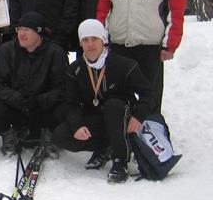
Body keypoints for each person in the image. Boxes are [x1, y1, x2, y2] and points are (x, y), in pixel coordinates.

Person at [53, 19, 156, 183]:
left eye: (94, 39)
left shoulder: (124, 65)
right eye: (85, 40)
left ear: (103, 41)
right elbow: (70, 103)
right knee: (60, 135)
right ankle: (104, 147)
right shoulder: (75, 69)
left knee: (113, 105)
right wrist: (77, 125)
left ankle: (120, 160)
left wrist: (139, 116)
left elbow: (149, 93)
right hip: (96, 118)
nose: (90, 44)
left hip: (122, 118)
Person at [0, 11, 67, 157]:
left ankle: (49, 137)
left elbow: (61, 88)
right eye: (19, 29)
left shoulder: (55, 53)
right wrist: (16, 98)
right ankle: (9, 135)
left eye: (27, 29)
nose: (21, 34)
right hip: (17, 106)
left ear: (39, 32)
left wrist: (40, 100)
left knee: (64, 108)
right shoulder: (7, 50)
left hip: (42, 108)